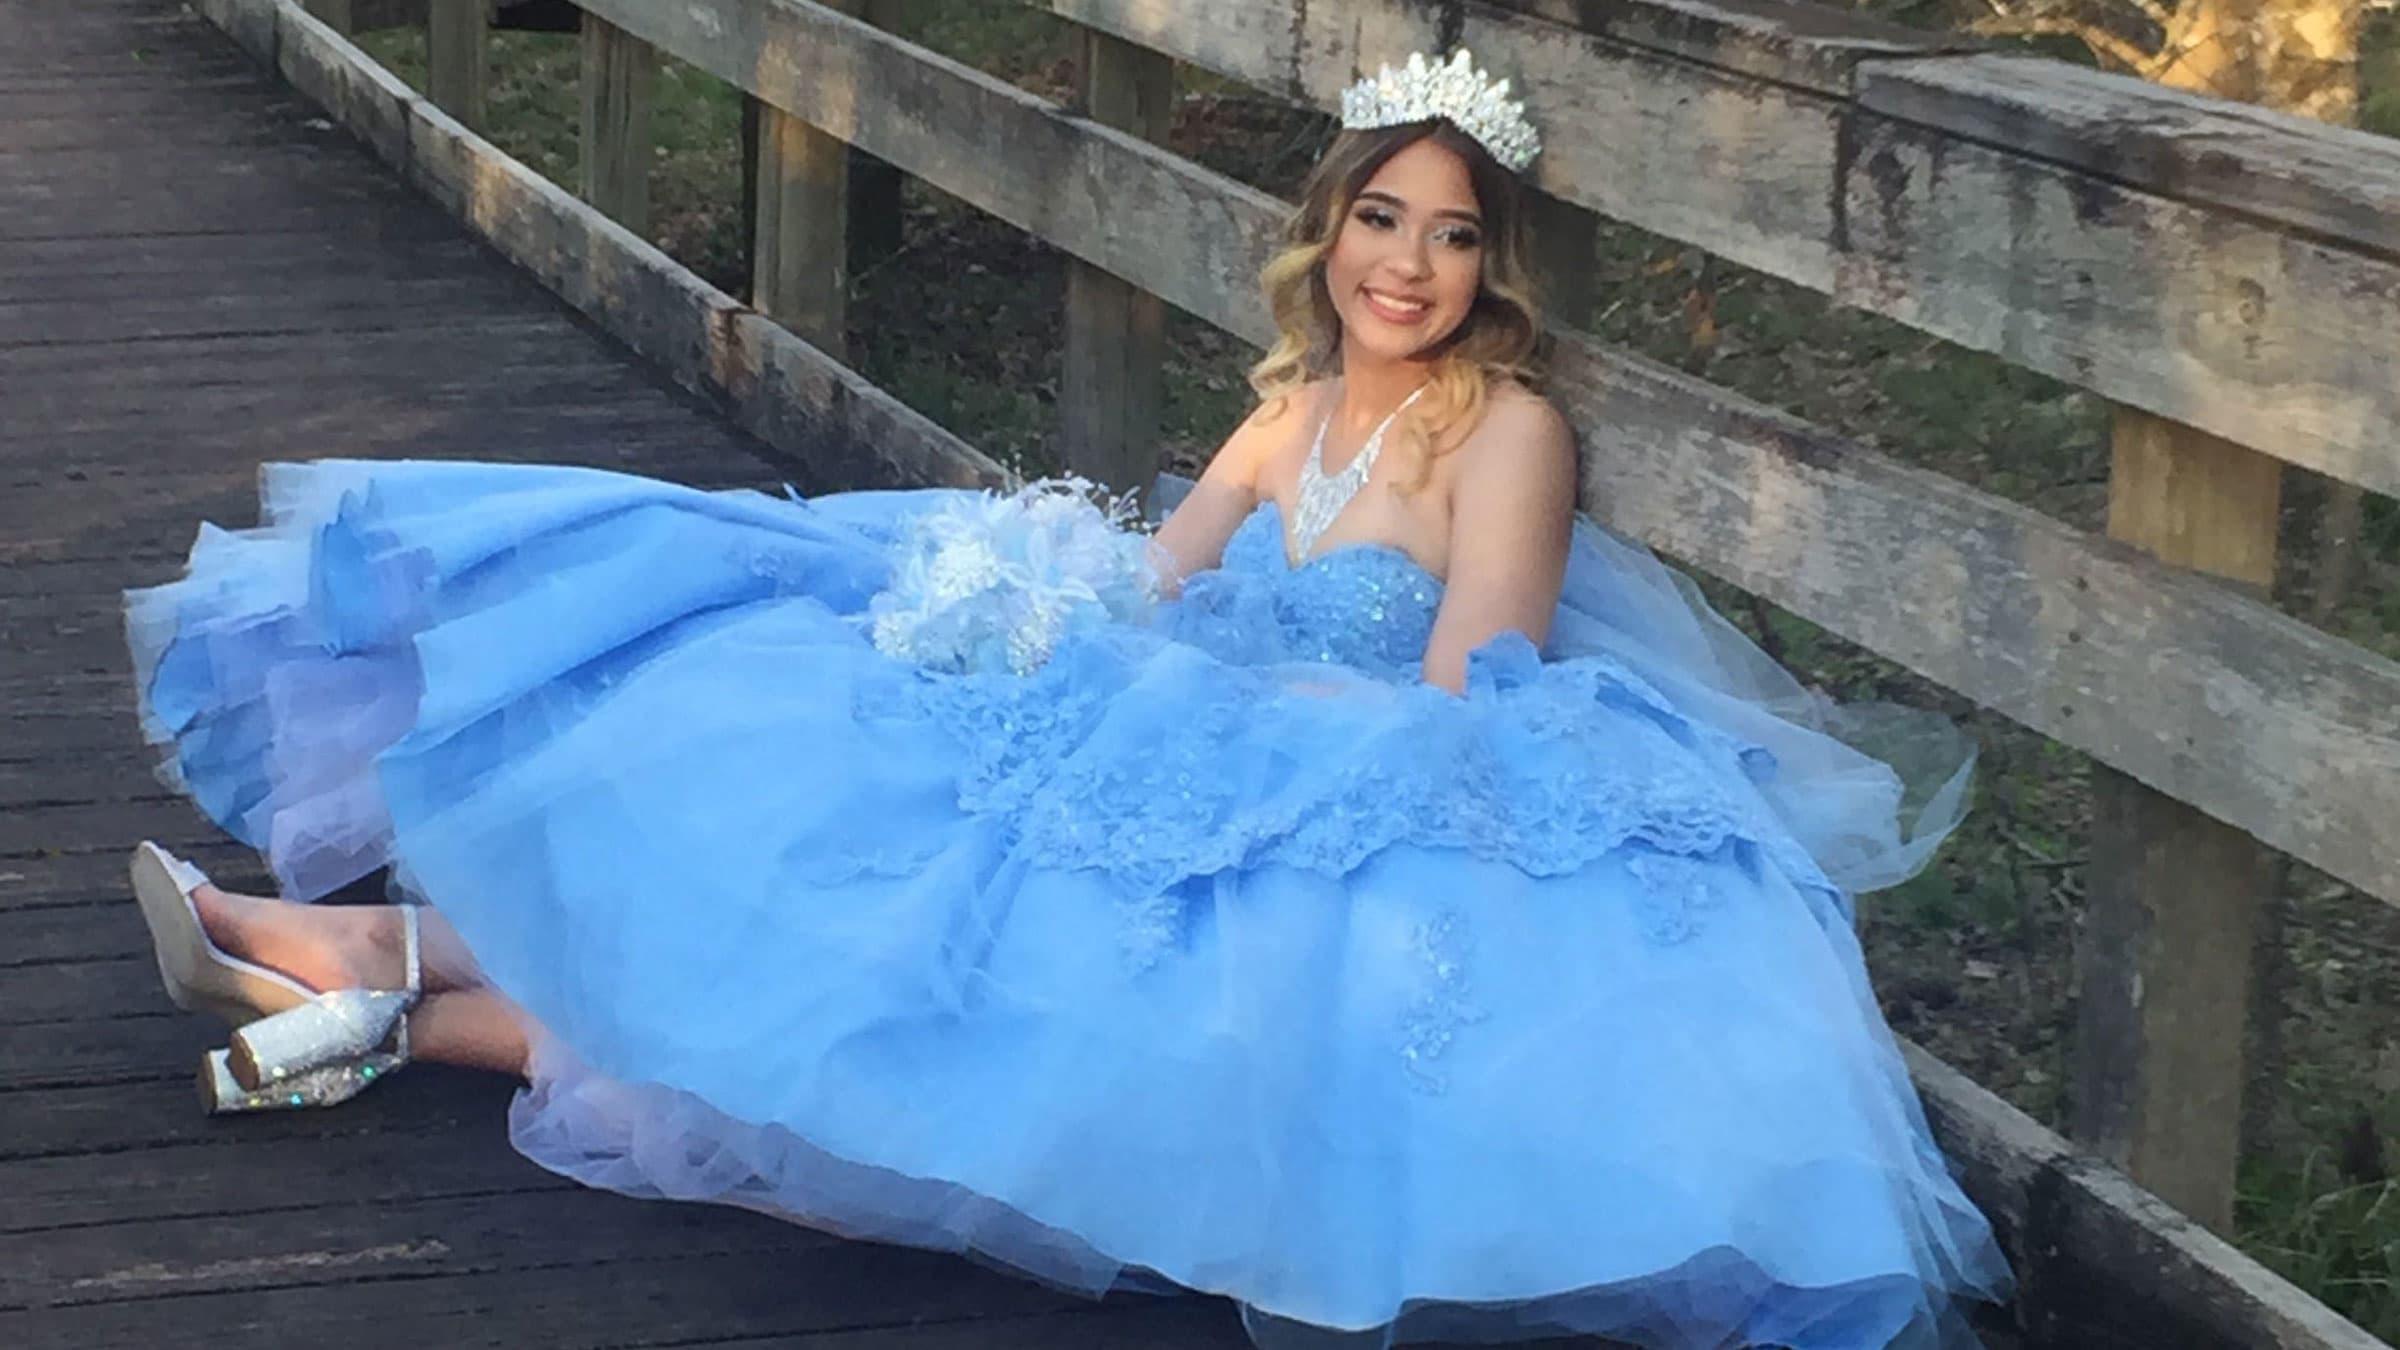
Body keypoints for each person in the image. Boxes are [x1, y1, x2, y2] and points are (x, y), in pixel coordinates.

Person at [122, 49, 2011, 1350]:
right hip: (1183, 731)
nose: (1409, 266)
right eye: (1382, 221)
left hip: (1344, 795)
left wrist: (1231, 761)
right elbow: (1154, 577)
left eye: (1450, 235)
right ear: (1330, 228)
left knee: (880, 1027)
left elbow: (1478, 686)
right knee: (816, 776)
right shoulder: (1290, 412)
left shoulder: (1503, 432)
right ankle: (358, 969)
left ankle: (352, 978)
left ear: (1488, 265)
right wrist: (1006, 610)